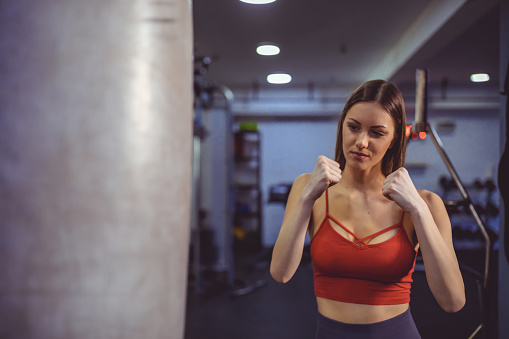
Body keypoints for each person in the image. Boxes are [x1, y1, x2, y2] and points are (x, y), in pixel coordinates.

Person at [270, 80, 465, 339]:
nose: (361, 141)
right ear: (342, 127)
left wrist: (418, 209)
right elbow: (281, 273)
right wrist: (307, 198)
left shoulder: (426, 203)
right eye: (353, 127)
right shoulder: (307, 188)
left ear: (394, 139)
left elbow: (452, 301)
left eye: (376, 132)